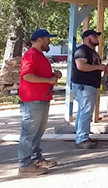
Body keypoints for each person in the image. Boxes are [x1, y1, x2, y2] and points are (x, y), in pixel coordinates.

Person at [18, 29, 62, 176]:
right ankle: (24, 164)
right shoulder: (30, 55)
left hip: (41, 99)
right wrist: (49, 80)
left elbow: (39, 75)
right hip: (32, 100)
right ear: (39, 40)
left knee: (37, 133)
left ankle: (36, 160)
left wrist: (53, 75)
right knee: (29, 133)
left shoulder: (40, 56)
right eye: (47, 39)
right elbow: (27, 76)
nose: (49, 41)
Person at [71, 30, 108, 149]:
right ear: (86, 38)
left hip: (89, 85)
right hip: (83, 85)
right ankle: (82, 138)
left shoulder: (91, 52)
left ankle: (81, 135)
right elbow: (81, 66)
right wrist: (99, 67)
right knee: (86, 111)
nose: (97, 38)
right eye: (94, 36)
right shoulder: (82, 50)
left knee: (84, 111)